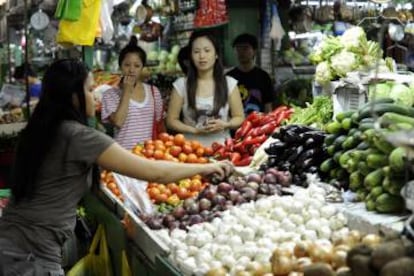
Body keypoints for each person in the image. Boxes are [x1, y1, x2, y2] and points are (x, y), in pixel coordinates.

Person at [0, 59, 233, 275]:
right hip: (32, 256)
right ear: (73, 97)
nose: (96, 98)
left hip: (13, 242)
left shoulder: (40, 130)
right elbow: (155, 172)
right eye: (90, 90)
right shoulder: (78, 136)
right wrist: (203, 168)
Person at [166, 30, 245, 147]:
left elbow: (239, 117)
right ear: (191, 56)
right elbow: (171, 121)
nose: (202, 56)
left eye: (207, 51)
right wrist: (195, 130)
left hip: (222, 150)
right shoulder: (181, 85)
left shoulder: (229, 83)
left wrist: (225, 124)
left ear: (216, 54)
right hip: (191, 152)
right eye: (196, 51)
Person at [101, 36, 164, 150]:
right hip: (123, 157)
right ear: (120, 66)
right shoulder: (110, 94)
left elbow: (160, 124)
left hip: (149, 155)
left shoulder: (154, 92)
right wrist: (126, 91)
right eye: (127, 65)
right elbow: (118, 122)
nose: (131, 70)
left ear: (142, 68)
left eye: (137, 65)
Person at [226, 33, 276, 115]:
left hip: (258, 125)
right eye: (238, 48)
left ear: (254, 51)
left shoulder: (264, 77)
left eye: (245, 48)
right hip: (234, 125)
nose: (241, 52)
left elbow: (268, 106)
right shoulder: (229, 77)